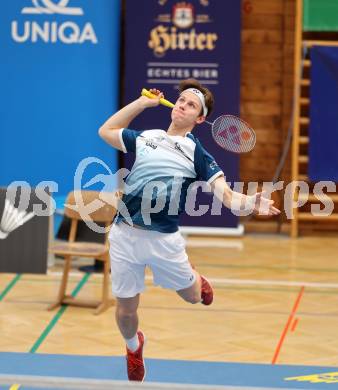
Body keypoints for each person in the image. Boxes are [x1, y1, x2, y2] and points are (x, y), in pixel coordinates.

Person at [99, 79, 280, 382]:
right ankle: (133, 348)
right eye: (181, 100)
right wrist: (141, 104)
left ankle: (197, 278)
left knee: (193, 296)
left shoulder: (198, 154)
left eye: (191, 104)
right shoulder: (147, 137)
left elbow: (226, 196)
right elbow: (105, 132)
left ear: (200, 119)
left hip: (163, 240)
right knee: (126, 312)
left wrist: (250, 202)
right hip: (124, 235)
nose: (182, 105)